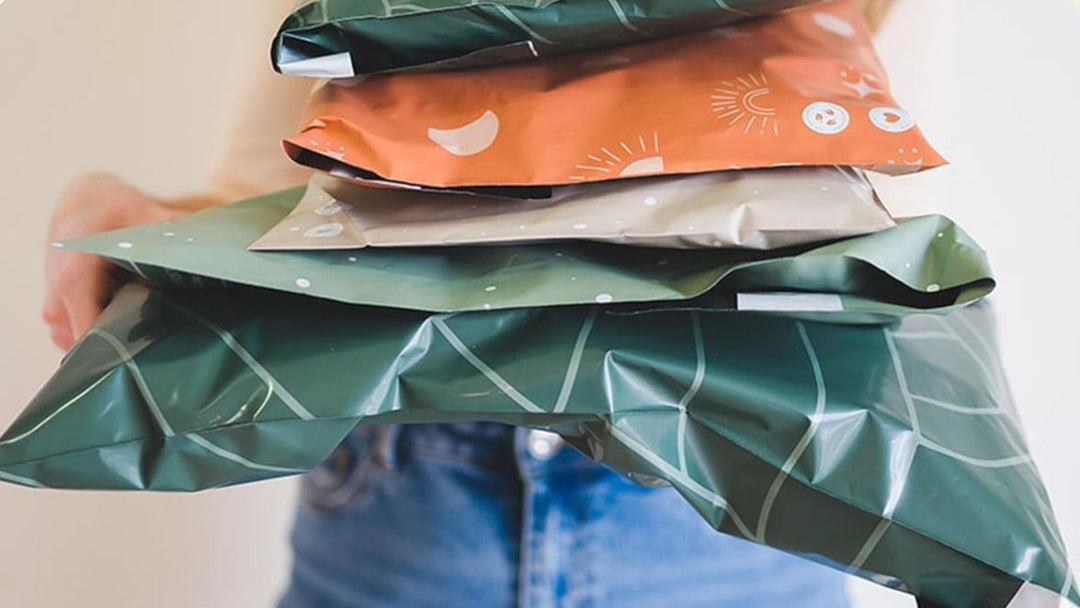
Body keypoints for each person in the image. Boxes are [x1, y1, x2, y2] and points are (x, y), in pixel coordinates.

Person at [43, 2, 896, 606]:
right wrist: (147, 227)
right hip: (404, 496)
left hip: (725, 488)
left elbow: (876, 216)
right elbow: (275, 200)